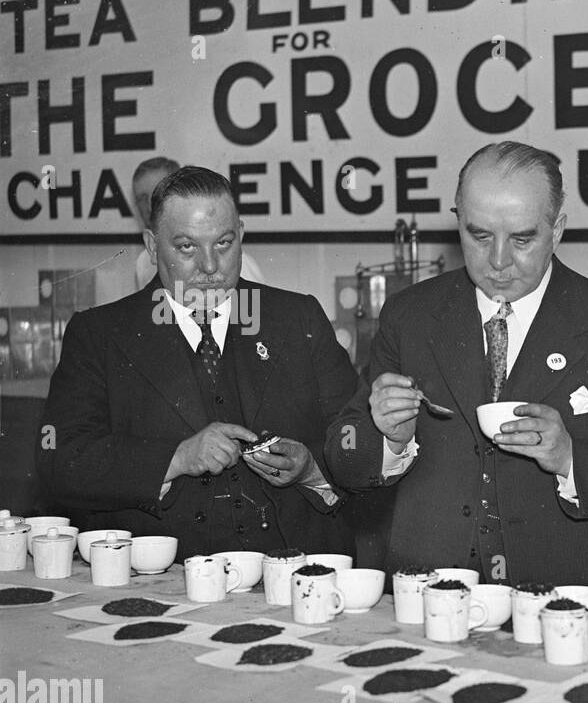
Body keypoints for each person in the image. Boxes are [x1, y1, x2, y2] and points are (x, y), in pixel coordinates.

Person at [324, 142, 588, 599]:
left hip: (568, 599)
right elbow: (344, 463)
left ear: (556, 230)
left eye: (521, 239)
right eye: (479, 236)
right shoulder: (410, 316)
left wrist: (571, 460)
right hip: (432, 595)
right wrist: (385, 438)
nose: (498, 261)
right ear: (457, 221)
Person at [41, 166, 358, 558]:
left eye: (223, 243)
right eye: (187, 247)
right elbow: (59, 460)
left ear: (241, 235)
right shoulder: (97, 334)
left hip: (296, 573)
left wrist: (311, 466)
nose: (210, 267)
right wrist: (177, 458)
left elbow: (352, 435)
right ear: (153, 247)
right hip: (163, 581)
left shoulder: (299, 318)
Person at [130, 157, 266, 289]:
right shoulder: (143, 262)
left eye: (159, 193)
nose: (150, 206)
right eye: (142, 199)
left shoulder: (235, 266)